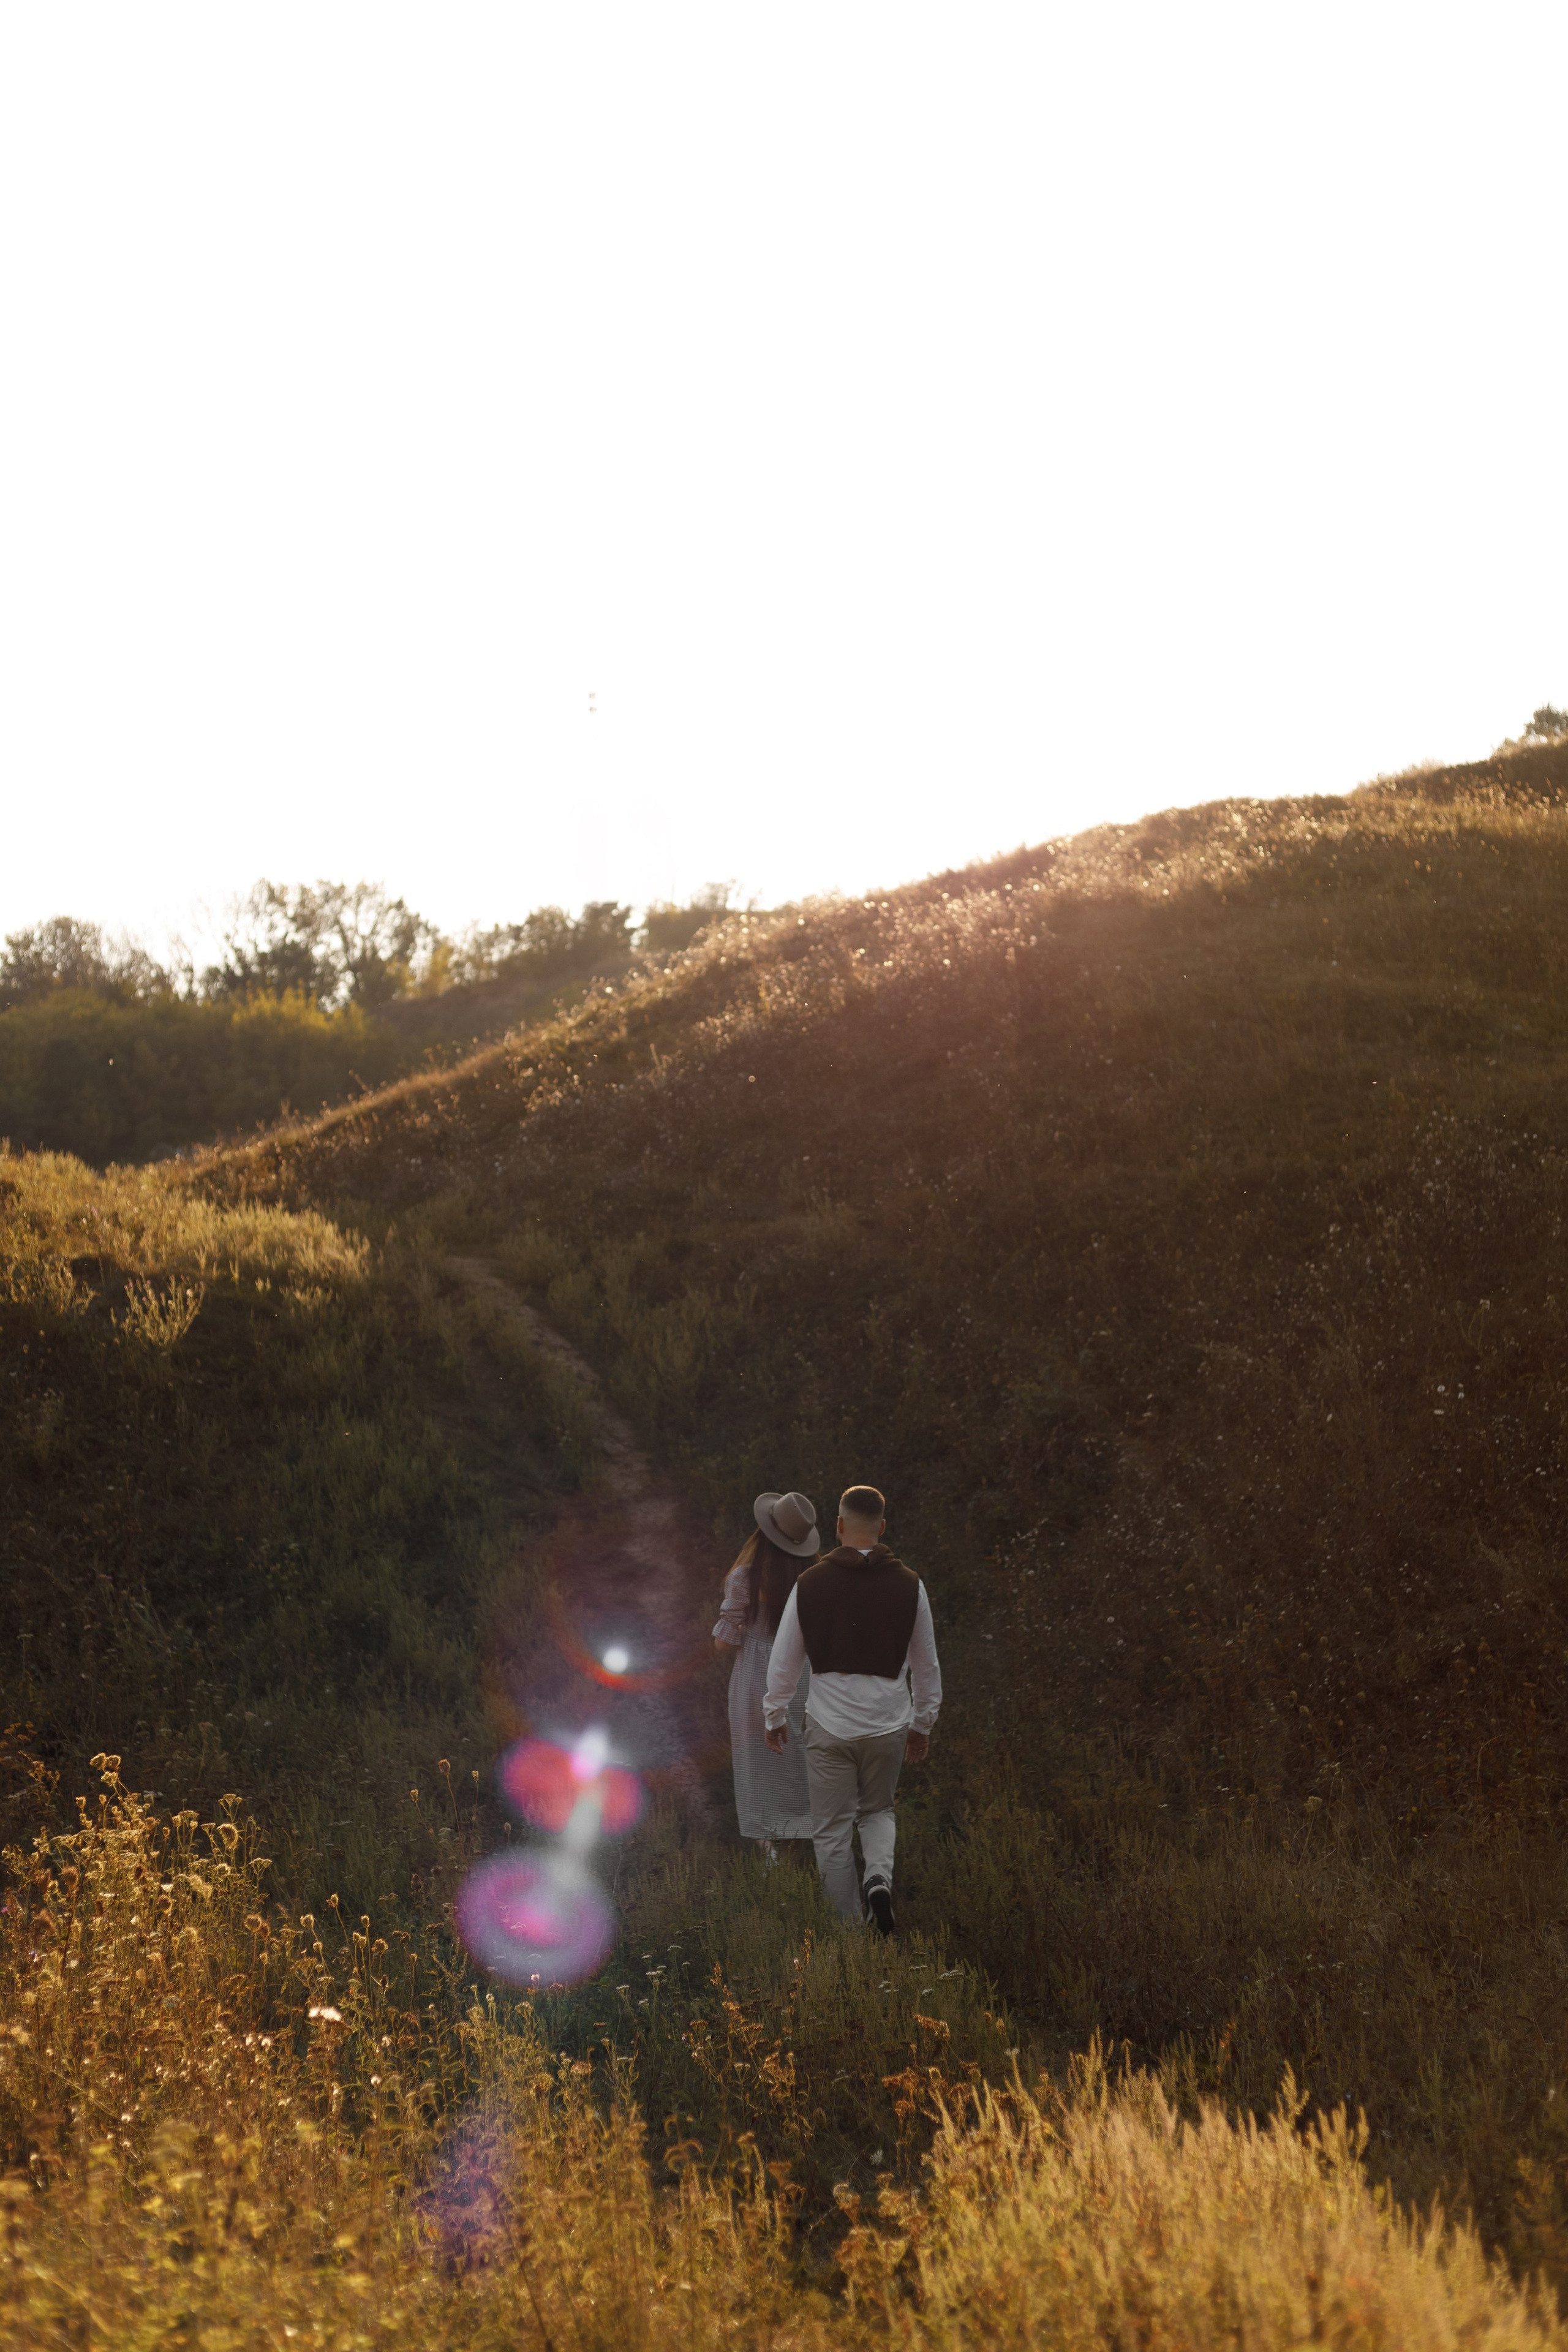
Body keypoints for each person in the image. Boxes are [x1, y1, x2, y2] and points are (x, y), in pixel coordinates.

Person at [763, 1483, 941, 1934]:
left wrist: (774, 1716)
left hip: (830, 1727)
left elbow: (783, 1662)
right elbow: (927, 1664)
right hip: (888, 1724)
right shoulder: (911, 1586)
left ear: (838, 1526)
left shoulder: (810, 1584)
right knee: (878, 1811)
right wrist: (922, 1723)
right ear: (881, 1529)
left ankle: (849, 1934)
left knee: (831, 1831)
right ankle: (878, 1877)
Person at [712, 1489, 820, 1854]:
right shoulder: (815, 1576)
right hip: (805, 1673)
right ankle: (807, 1834)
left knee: (758, 1757)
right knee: (802, 1753)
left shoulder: (745, 1577)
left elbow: (723, 1643)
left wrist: (741, 1630)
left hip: (758, 1673)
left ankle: (768, 1845)